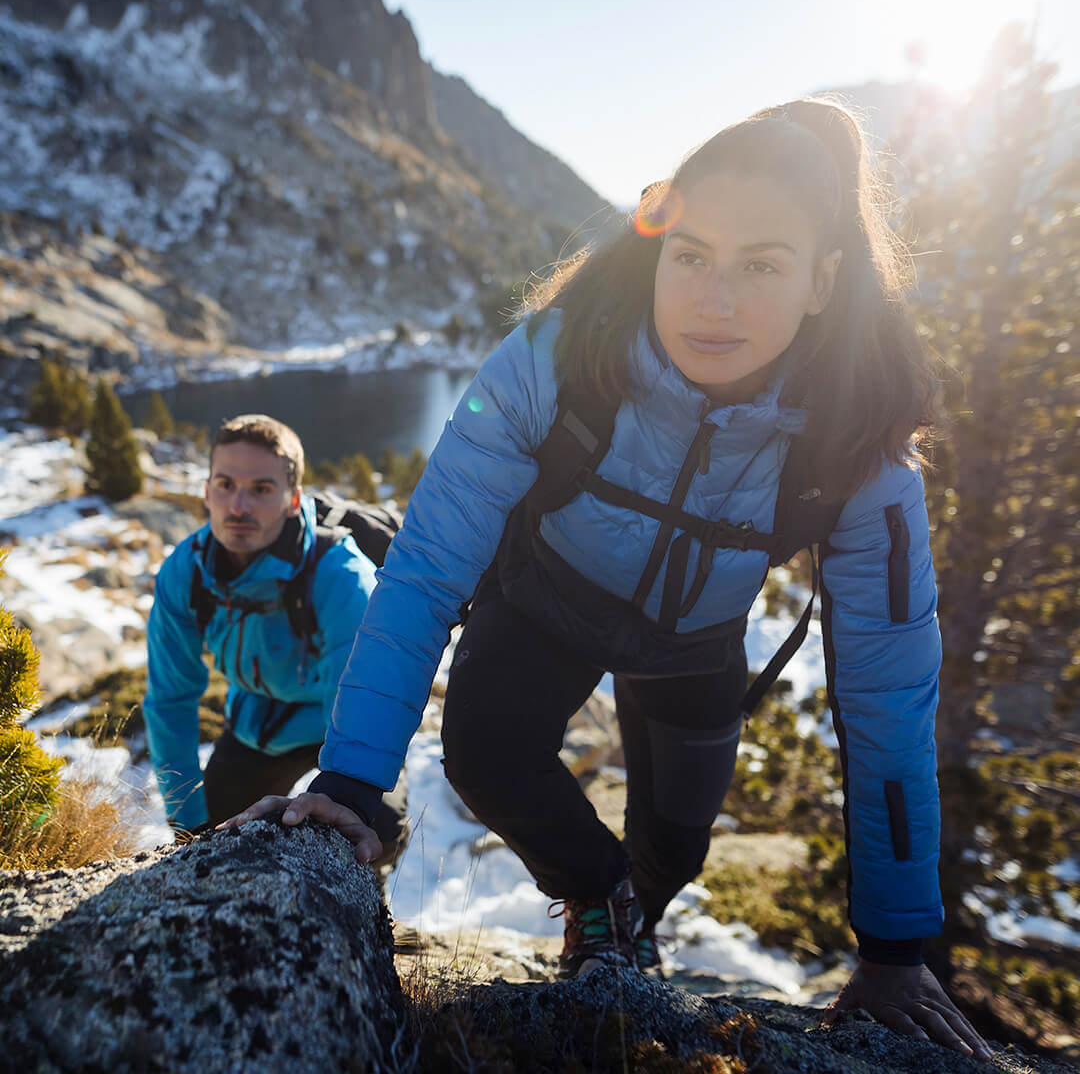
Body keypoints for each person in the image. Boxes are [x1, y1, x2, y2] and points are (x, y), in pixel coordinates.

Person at [222, 100, 991, 1059]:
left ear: (822, 282)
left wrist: (893, 946)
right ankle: (597, 900)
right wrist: (350, 782)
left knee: (676, 847)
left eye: (761, 266)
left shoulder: (856, 439)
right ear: (659, 244)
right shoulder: (559, 360)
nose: (713, 301)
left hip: (694, 640)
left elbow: (888, 690)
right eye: (692, 255)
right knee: (486, 752)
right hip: (548, 598)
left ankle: (635, 916)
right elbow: (425, 572)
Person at [143, 413, 408, 866]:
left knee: (377, 829)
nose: (238, 505)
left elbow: (363, 702)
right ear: (206, 492)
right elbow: (170, 701)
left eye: (261, 489)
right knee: (213, 834)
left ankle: (363, 896)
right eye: (225, 484)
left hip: (339, 722)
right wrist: (187, 825)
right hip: (257, 724)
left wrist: (346, 802)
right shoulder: (185, 573)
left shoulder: (342, 578)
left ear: (292, 500)